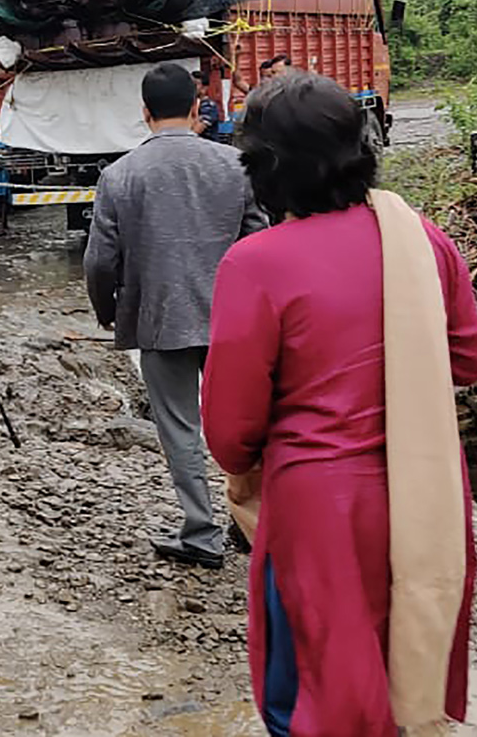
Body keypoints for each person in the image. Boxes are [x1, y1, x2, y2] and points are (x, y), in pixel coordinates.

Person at [201, 71, 477, 737]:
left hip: (319, 517)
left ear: (261, 170)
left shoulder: (255, 263)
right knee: (409, 686)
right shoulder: (419, 238)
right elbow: (468, 357)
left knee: (313, 700)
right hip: (429, 501)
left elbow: (231, 430)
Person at [83, 62, 267, 569]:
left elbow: (100, 259)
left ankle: (201, 533)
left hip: (160, 320)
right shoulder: (235, 166)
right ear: (194, 106)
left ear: (144, 113)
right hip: (232, 320)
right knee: (248, 423)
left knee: (180, 427)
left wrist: (107, 309)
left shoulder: (118, 176)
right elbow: (259, 240)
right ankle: (256, 524)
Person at [193, 71, 223, 143]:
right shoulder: (190, 104)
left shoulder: (209, 106)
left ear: (204, 88)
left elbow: (197, 130)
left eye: (195, 84)